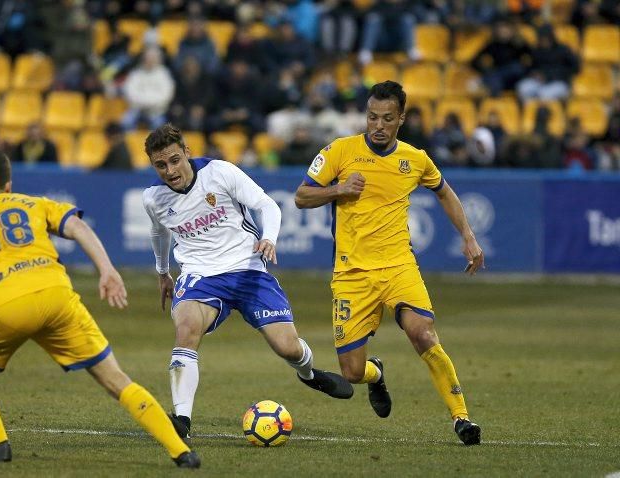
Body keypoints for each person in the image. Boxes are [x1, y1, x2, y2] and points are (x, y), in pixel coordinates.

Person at [0, 149, 199, 467]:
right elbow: (78, 228)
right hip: (58, 297)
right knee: (115, 378)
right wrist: (106, 270)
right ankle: (181, 451)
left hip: (6, 306)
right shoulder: (33, 203)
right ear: (8, 184)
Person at [294, 81, 484, 446]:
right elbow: (302, 196)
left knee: (423, 333)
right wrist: (338, 190)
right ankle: (376, 375)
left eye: (386, 119)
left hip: (399, 266)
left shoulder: (415, 159)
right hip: (351, 274)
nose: (377, 125)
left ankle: (462, 418)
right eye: (371, 117)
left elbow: (445, 192)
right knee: (351, 372)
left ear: (401, 119)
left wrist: (468, 236)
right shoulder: (339, 151)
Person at [141, 124, 353, 440]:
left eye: (174, 160)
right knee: (185, 328)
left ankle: (309, 374)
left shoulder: (220, 173)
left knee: (288, 348)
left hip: (248, 269)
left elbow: (266, 205)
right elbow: (159, 233)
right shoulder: (153, 198)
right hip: (201, 277)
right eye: (160, 165)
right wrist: (162, 273)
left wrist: (268, 238)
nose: (170, 170)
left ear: (187, 152)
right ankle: (181, 420)